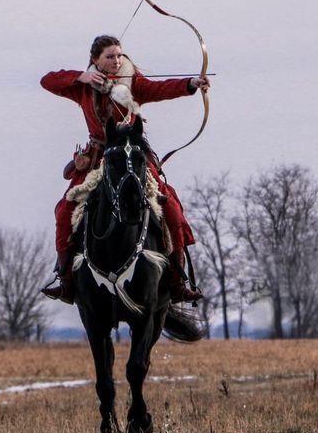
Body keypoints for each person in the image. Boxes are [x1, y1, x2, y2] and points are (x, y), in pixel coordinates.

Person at [40, 35, 209, 305]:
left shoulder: (133, 83)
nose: (117, 60)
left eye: (119, 55)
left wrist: (190, 84)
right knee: (64, 212)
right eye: (109, 56)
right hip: (98, 160)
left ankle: (178, 283)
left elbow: (161, 89)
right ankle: (66, 281)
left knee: (174, 212)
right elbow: (47, 80)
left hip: (131, 158)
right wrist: (81, 77)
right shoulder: (84, 87)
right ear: (95, 60)